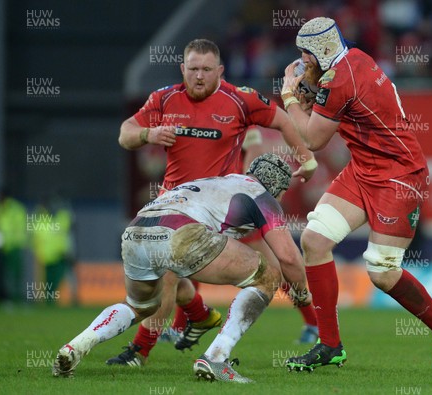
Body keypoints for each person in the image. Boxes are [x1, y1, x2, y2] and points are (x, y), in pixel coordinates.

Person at [109, 38, 319, 367]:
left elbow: (280, 121)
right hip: (174, 207)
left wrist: (305, 159)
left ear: (220, 71)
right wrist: (147, 135)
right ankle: (186, 325)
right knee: (171, 279)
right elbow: (125, 133)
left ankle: (315, 324)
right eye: (193, 69)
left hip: (224, 210)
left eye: (207, 69)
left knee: (278, 265)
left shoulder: (241, 100)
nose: (199, 76)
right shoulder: (163, 98)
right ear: (183, 68)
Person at [280, 17, 432, 375]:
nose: (302, 61)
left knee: (381, 270)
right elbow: (330, 113)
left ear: (320, 52)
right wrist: (311, 98)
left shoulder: (339, 80)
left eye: (306, 53)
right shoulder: (354, 59)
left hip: (399, 175)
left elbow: (313, 139)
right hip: (364, 169)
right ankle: (330, 345)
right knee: (315, 240)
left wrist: (290, 95)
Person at [52, 154, 312, 383]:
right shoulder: (263, 197)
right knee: (268, 276)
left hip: (136, 230)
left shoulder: (218, 181)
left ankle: (75, 346)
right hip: (180, 232)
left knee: (139, 305)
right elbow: (288, 258)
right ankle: (216, 358)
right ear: (278, 187)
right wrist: (301, 294)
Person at [0, 189, 28, 302]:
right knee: (1, 275)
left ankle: (16, 298)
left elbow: (19, 229)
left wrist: (9, 240)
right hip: (0, 247)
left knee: (15, 274)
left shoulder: (16, 209)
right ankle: (4, 298)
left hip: (13, 246)